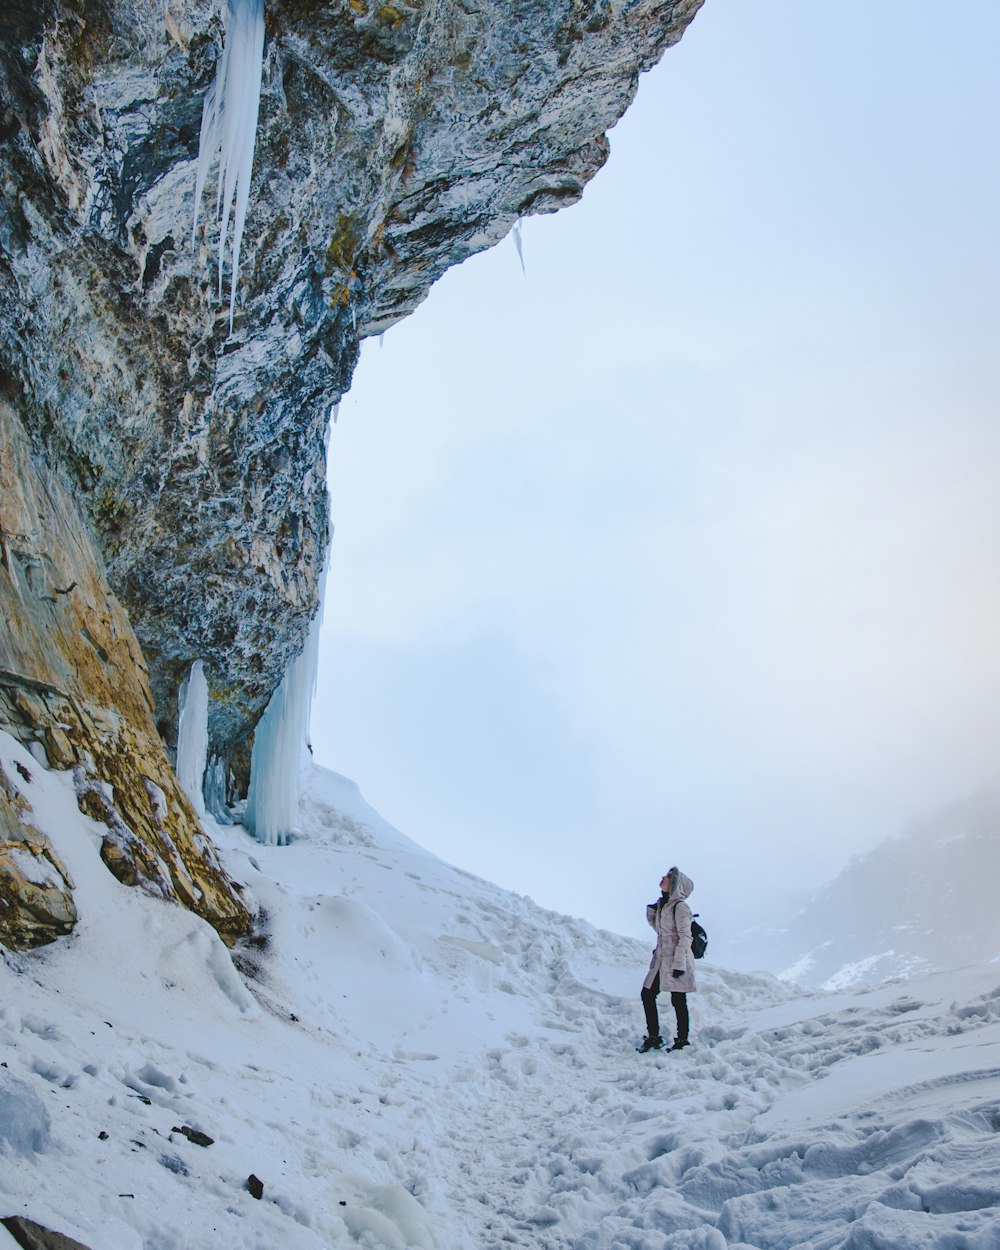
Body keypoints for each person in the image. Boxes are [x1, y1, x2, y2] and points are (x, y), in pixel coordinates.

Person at [637, 867, 696, 1052]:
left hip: (678, 959)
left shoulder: (680, 907)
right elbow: (662, 932)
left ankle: (682, 1040)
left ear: (676, 884)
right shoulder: (665, 905)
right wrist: (653, 912)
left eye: (668, 877)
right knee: (647, 994)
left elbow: (685, 937)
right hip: (662, 960)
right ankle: (654, 1037)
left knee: (678, 999)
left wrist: (679, 964)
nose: (663, 877)